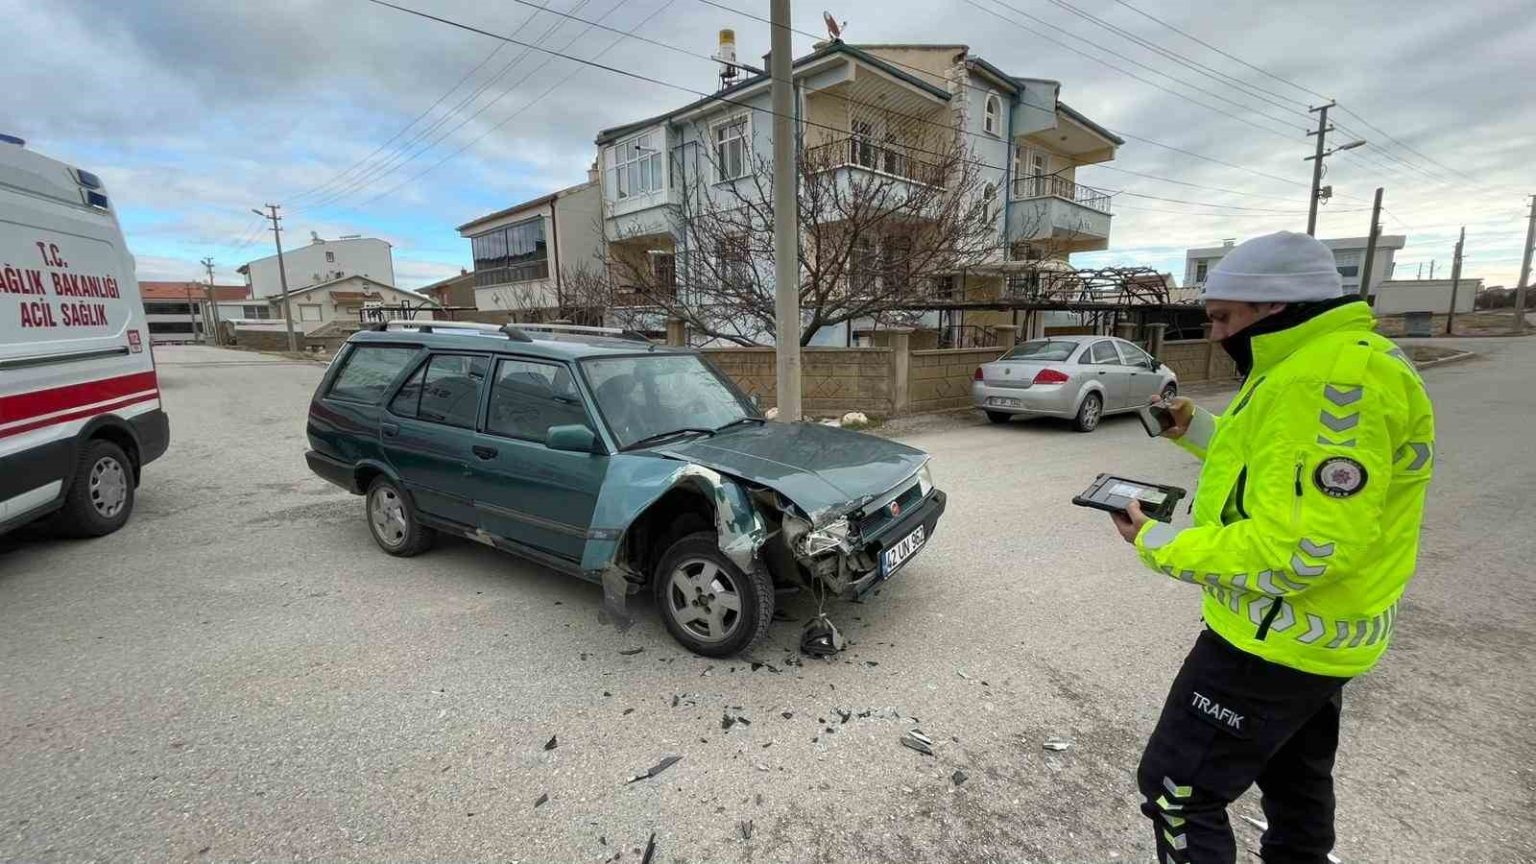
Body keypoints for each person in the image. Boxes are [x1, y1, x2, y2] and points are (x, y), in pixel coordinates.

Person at [1109, 231, 1435, 863]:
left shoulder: (1321, 381)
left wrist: (1159, 540)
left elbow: (1301, 550)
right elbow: (1270, 468)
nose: (1214, 334)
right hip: (1322, 636)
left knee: (1177, 792)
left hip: (1271, 640)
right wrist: (1193, 428)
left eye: (1224, 318)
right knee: (1294, 779)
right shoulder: (1334, 359)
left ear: (1275, 306)